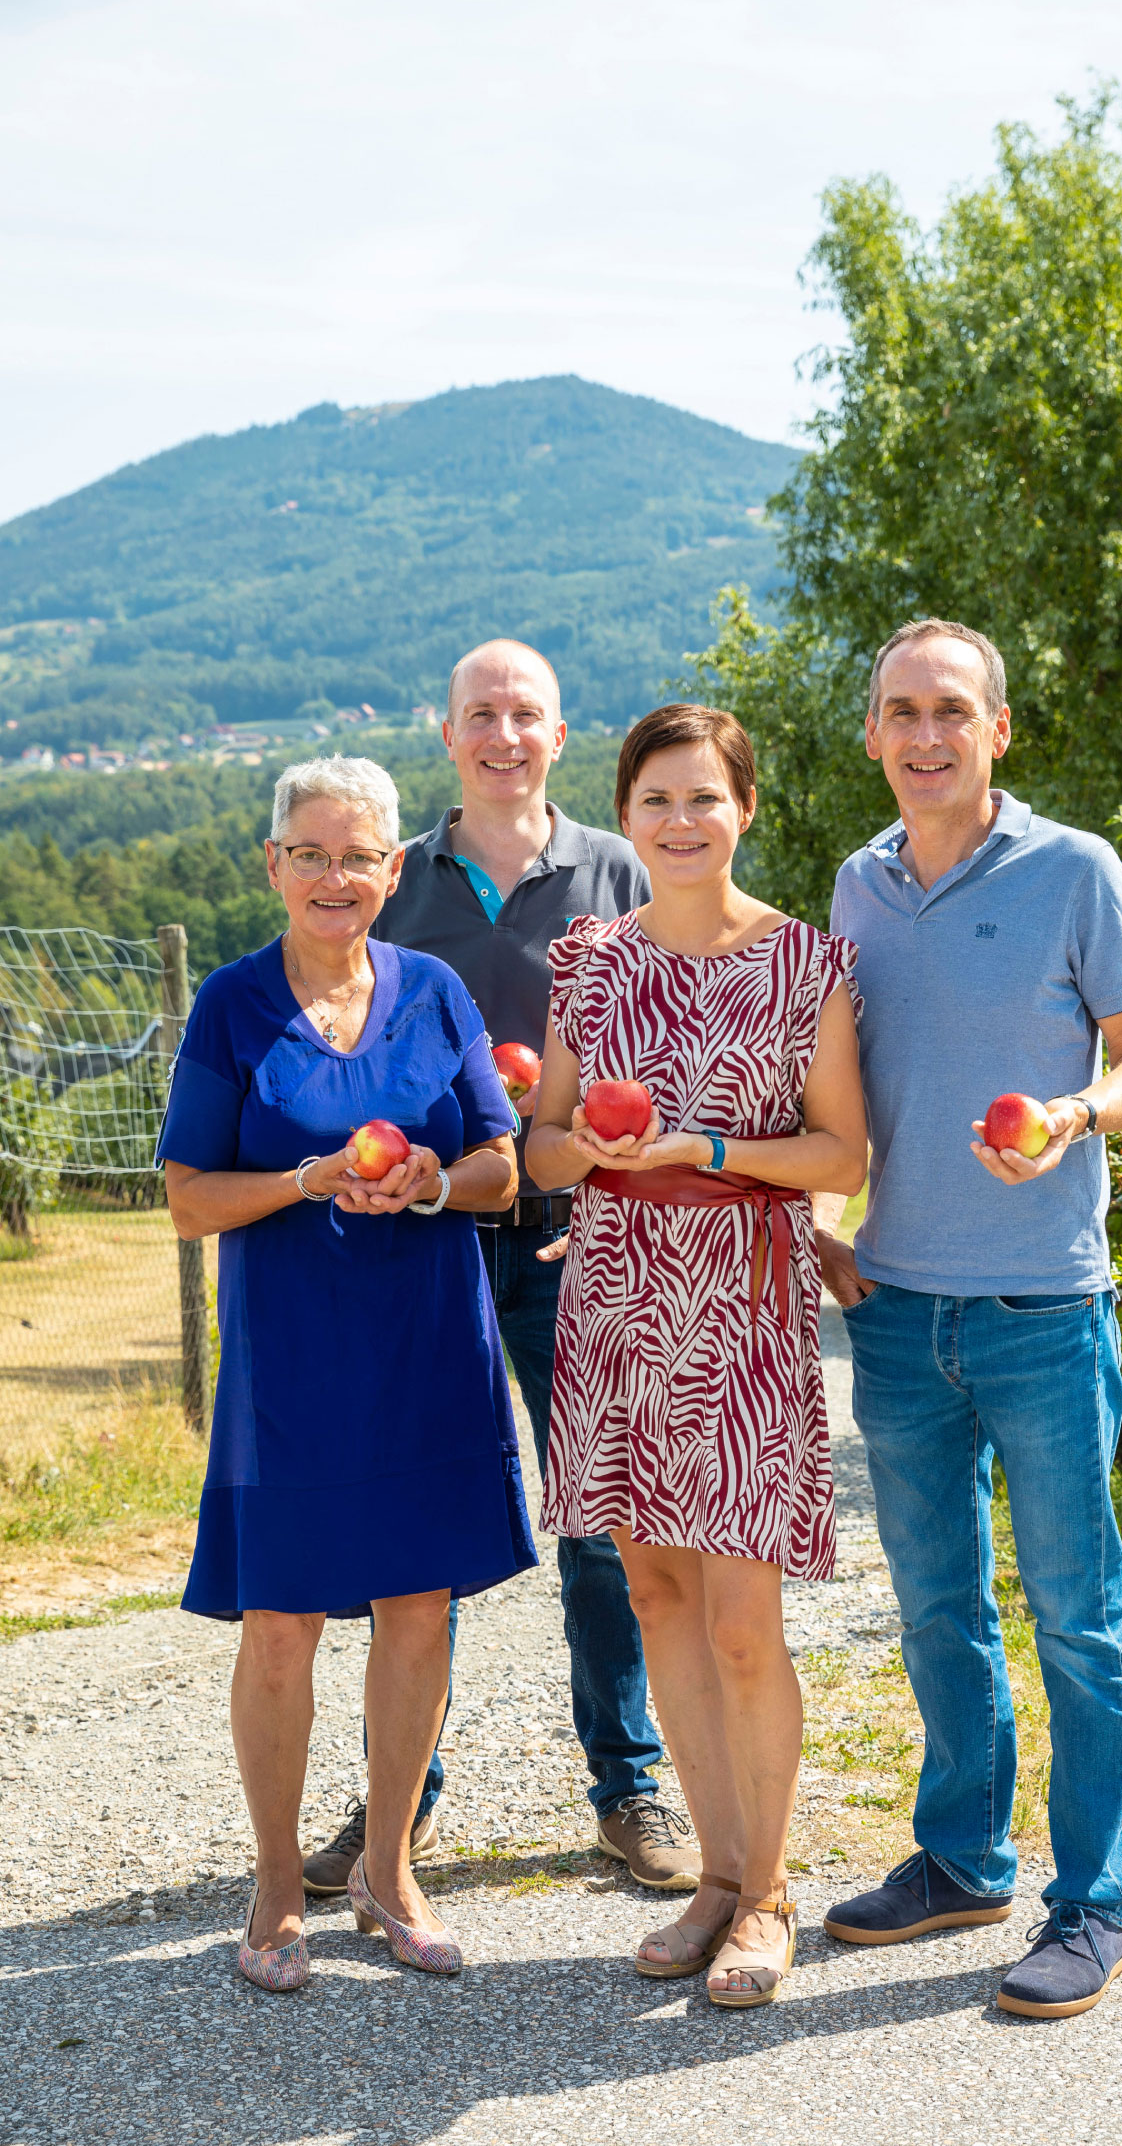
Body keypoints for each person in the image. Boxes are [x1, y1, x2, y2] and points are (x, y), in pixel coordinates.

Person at [817, 618, 1122, 2020]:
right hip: (898, 1315)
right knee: (937, 1611)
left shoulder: (1074, 871)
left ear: (997, 730)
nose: (924, 735)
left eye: (950, 710)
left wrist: (1076, 1112)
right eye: (900, 711)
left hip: (1042, 1307)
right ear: (870, 737)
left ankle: (1090, 1903)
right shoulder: (854, 887)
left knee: (1077, 1620)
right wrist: (824, 1226)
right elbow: (841, 1094)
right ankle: (963, 1857)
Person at [304, 638, 698, 1899]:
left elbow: (677, 1043)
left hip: (578, 1240)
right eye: (483, 713)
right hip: (421, 1246)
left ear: (560, 735)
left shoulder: (626, 867)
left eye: (526, 712)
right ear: (448, 733)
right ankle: (397, 1803)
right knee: (417, 1529)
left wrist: (626, 1188)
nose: (504, 734)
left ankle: (627, 1783)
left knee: (600, 1518)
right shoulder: (391, 880)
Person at [160, 755, 534, 1991]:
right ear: (273, 864)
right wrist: (306, 1180)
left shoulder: (431, 990)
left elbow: (501, 1166)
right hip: (295, 1366)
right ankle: (276, 1884)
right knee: (283, 1623)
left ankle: (388, 1868)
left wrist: (429, 1179)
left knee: (421, 1609)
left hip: (427, 1345)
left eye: (358, 855)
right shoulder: (229, 1002)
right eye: (309, 852)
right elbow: (187, 1198)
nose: (335, 876)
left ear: (391, 869)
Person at [526, 702, 868, 2007]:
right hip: (615, 1296)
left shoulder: (807, 964)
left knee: (738, 1624)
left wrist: (703, 1149)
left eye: (702, 799)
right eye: (655, 800)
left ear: (745, 809)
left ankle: (770, 1893)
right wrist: (589, 1153)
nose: (679, 822)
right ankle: (717, 1880)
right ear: (625, 816)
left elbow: (838, 1154)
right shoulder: (588, 963)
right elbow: (544, 1146)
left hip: (743, 1305)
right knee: (657, 1599)